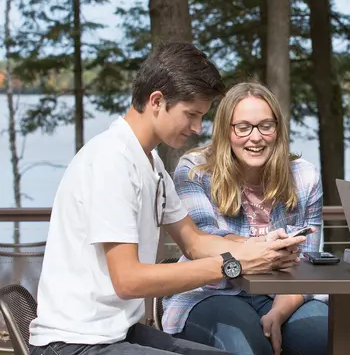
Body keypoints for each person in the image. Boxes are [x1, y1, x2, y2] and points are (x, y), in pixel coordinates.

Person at [28, 43, 307, 355]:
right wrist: (234, 264)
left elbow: (193, 241)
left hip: (118, 334)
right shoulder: (111, 162)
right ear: (157, 101)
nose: (198, 128)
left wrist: (260, 250)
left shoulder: (150, 162)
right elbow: (129, 280)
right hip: (75, 343)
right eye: (191, 115)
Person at [162, 82, 328, 355]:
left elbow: (307, 262)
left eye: (266, 125)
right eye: (243, 127)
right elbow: (202, 239)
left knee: (324, 339)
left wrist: (279, 312)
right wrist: (263, 246)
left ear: (278, 129)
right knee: (247, 348)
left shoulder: (304, 176)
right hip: (212, 291)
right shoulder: (194, 170)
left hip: (281, 294)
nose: (256, 137)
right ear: (226, 130)